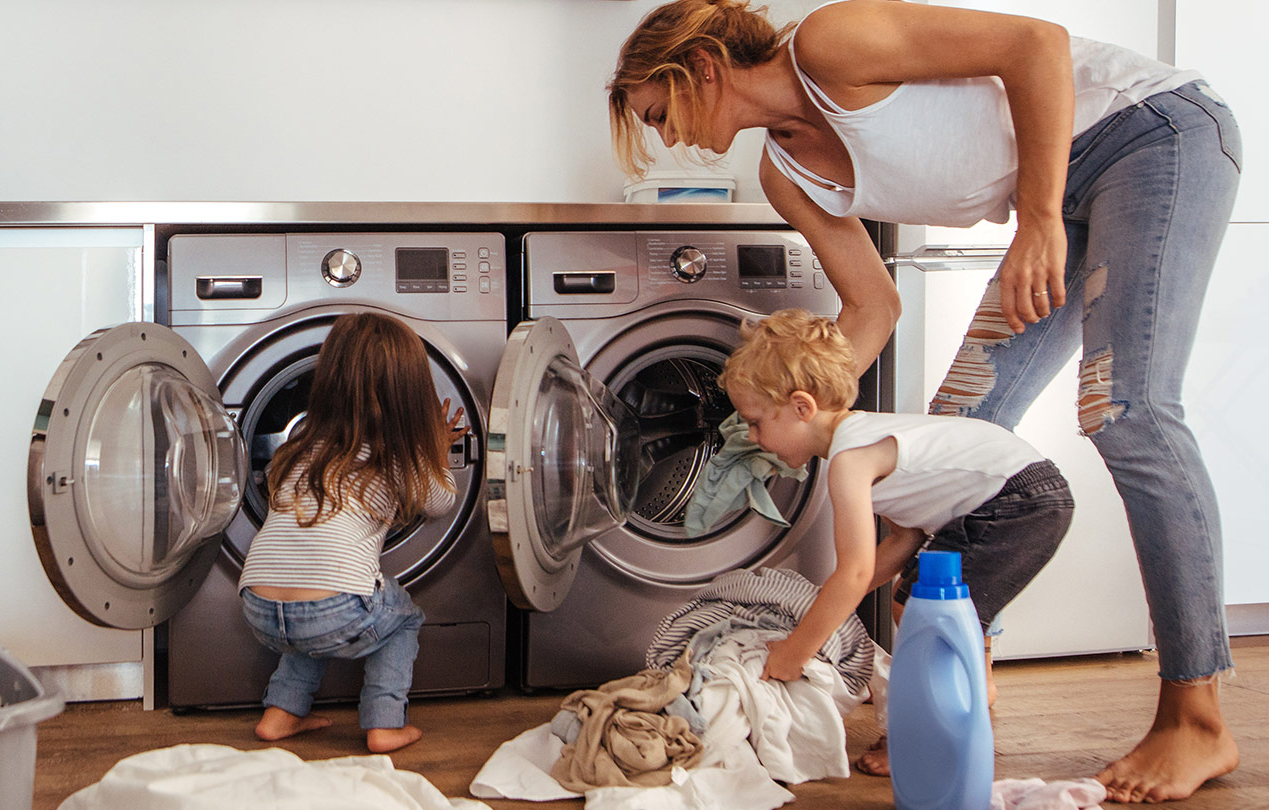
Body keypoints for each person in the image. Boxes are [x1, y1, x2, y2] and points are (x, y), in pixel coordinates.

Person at [607, 0, 1241, 800]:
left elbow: (1033, 45)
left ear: (701, 66)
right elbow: (872, 310)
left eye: (660, 113)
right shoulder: (785, 173)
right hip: (1064, 194)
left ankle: (1197, 714)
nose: (667, 138)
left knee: (1127, 412)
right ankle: (962, 671)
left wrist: (1039, 218)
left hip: (1149, 135)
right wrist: (786, 415)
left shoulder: (831, 43)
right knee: (952, 438)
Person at [720, 309, 1073, 774]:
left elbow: (856, 571)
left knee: (921, 608)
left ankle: (927, 736)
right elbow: (904, 539)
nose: (752, 437)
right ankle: (957, 705)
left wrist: (795, 651)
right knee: (918, 603)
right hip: (1020, 493)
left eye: (756, 421)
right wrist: (826, 603)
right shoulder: (862, 439)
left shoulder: (850, 460)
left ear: (802, 407)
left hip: (1016, 499)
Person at [237, 312, 466, 754]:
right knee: (402, 619)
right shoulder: (398, 454)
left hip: (257, 606)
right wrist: (435, 449)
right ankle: (384, 724)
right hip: (334, 610)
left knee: (311, 604)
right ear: (410, 394)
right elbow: (441, 502)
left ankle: (279, 714)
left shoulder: (302, 440)